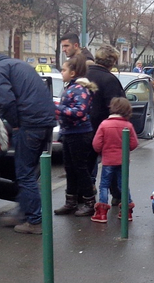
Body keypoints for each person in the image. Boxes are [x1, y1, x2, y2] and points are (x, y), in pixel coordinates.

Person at [0, 50, 56, 235]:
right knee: (28, 171)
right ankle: (24, 213)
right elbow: (15, 97)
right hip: (44, 123)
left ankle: (35, 221)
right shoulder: (17, 64)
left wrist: (14, 125)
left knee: (24, 174)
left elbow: (6, 101)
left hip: (29, 125)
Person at [53, 55, 99, 217]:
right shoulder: (71, 87)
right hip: (69, 133)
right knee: (70, 168)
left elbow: (80, 111)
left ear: (73, 73)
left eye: (64, 69)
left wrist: (58, 109)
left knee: (81, 169)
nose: (61, 72)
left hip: (80, 134)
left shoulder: (80, 89)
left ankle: (89, 202)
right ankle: (70, 202)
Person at [86, 45, 127, 207]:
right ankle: (117, 195)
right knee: (112, 164)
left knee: (86, 165)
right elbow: (117, 106)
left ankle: (86, 197)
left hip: (84, 128)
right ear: (112, 62)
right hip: (105, 130)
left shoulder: (84, 75)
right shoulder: (110, 80)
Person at [90, 97, 139, 223]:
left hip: (108, 161)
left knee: (104, 185)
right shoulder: (128, 125)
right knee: (123, 184)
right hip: (123, 161)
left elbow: (96, 144)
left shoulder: (104, 125)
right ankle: (127, 211)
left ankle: (101, 213)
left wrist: (103, 150)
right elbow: (134, 144)